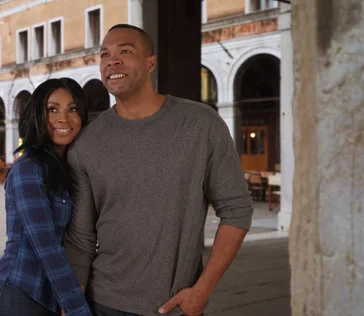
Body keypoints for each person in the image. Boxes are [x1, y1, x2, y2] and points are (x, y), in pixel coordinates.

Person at [63, 24, 254, 316]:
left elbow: (237, 210)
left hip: (177, 306)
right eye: (104, 55)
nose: (112, 61)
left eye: (125, 51)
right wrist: (73, 303)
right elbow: (81, 237)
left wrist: (202, 291)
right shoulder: (86, 142)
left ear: (150, 62)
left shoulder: (201, 124)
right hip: (104, 303)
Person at [0, 78, 92, 316]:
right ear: (37, 116)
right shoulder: (29, 168)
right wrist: (77, 307)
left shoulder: (68, 166)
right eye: (52, 110)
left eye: (72, 109)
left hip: (49, 295)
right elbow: (46, 246)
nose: (63, 118)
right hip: (18, 295)